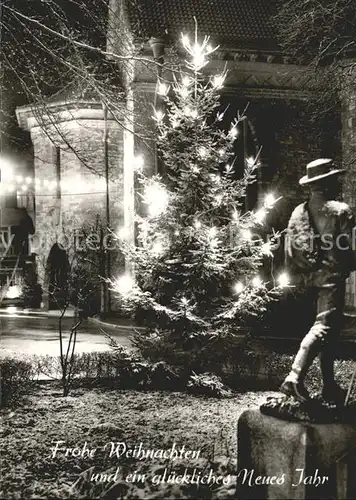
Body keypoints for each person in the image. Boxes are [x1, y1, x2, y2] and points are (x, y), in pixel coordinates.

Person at [280, 158, 356, 403]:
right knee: (324, 326)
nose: (338, 182)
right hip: (331, 280)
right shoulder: (340, 211)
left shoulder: (298, 212)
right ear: (328, 182)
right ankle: (294, 377)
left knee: (330, 332)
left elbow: (290, 249)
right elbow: (347, 253)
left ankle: (329, 386)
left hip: (308, 279)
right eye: (334, 178)